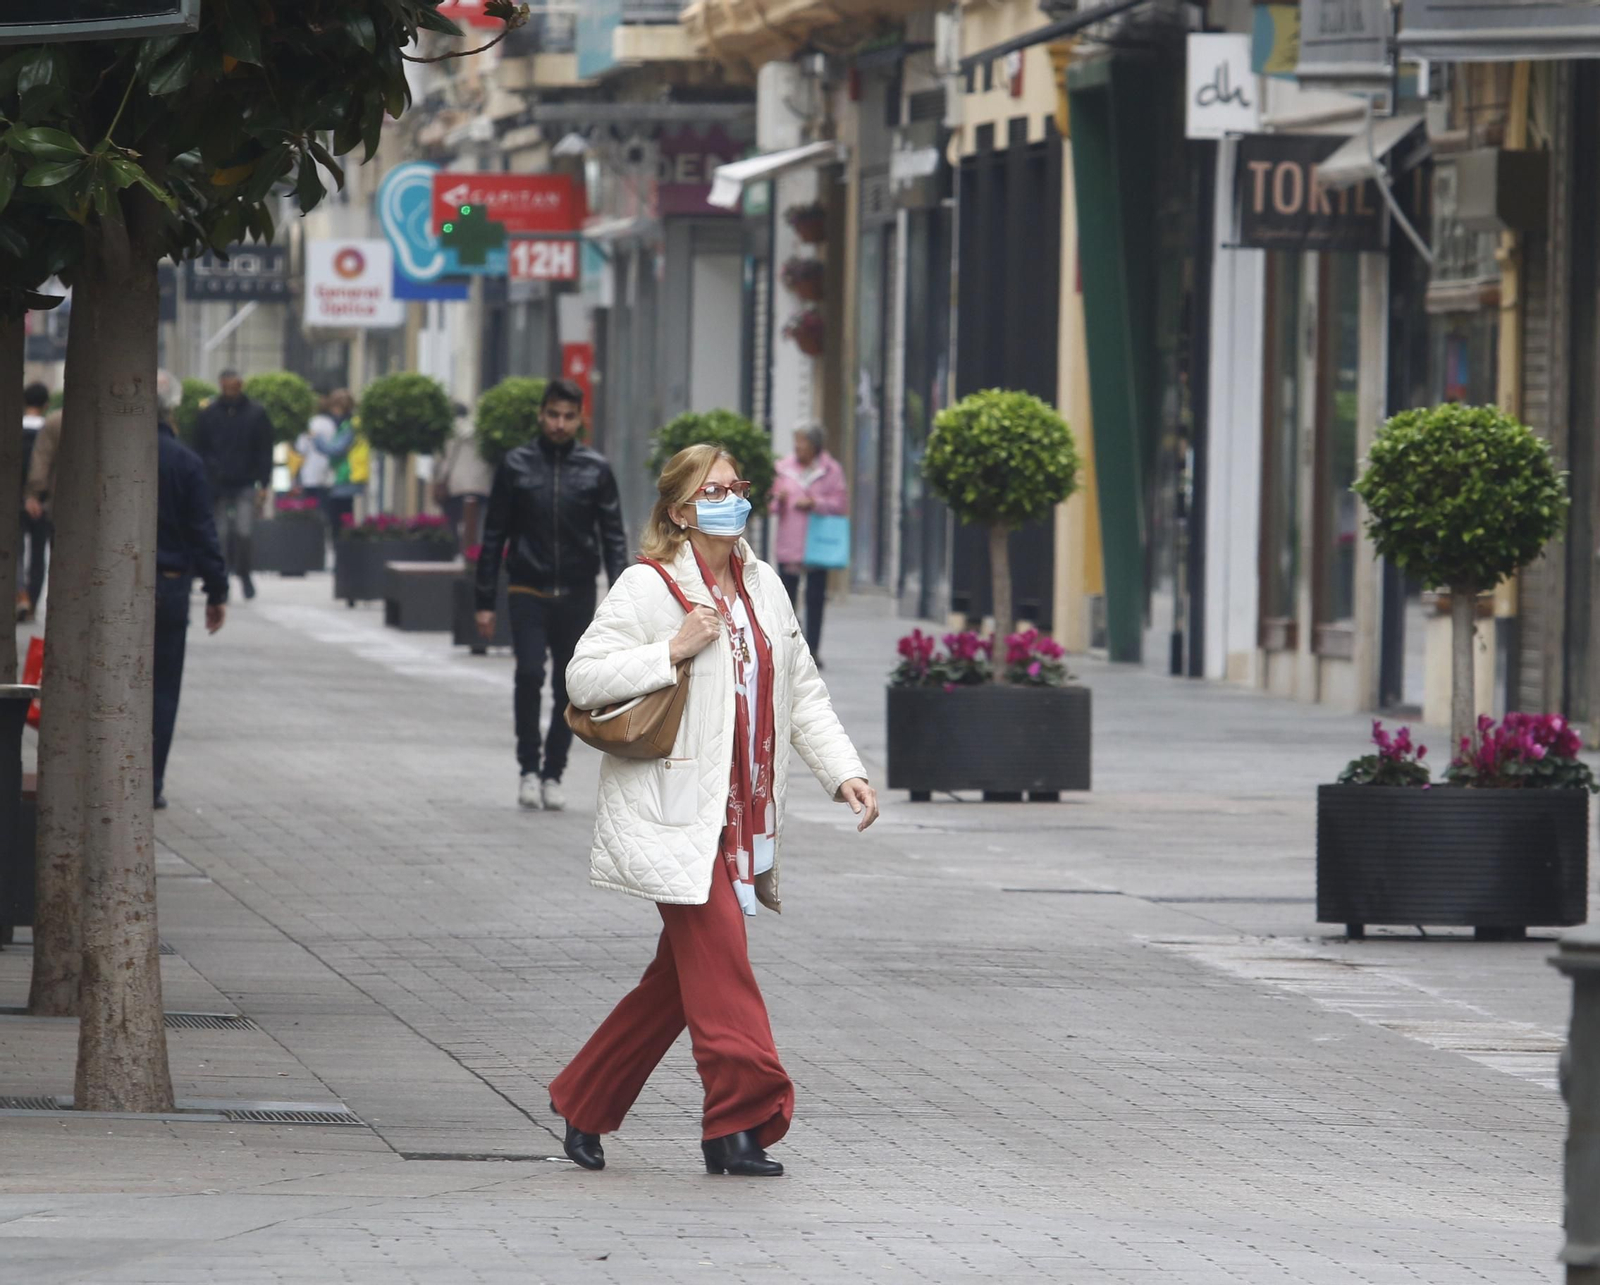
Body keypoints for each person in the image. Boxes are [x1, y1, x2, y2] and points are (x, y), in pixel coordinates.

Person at [548, 443, 878, 1178]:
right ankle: (740, 1119)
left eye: (738, 486)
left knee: (680, 980)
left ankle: (584, 1097)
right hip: (677, 812)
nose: (732, 498)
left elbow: (802, 691)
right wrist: (672, 647)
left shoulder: (764, 585)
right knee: (723, 965)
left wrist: (844, 772)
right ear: (680, 511)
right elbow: (583, 675)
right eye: (714, 489)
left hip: (746, 814)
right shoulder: (647, 586)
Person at [474, 378, 628, 813]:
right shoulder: (516, 465)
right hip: (527, 586)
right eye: (553, 415)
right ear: (541, 415)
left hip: (577, 590)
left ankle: (553, 772)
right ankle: (527, 767)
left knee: (571, 686)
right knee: (527, 673)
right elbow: (494, 535)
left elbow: (613, 537)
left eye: (568, 417)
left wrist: (623, 599)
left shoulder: (596, 469)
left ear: (580, 420)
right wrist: (484, 600)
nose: (560, 424)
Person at [153, 369, 228, 811]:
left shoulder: (106, 453)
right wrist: (216, 591)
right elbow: (203, 532)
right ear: (173, 409)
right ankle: (150, 781)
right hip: (169, 586)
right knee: (162, 688)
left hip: (113, 587)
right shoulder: (184, 462)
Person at [192, 369, 273, 600]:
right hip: (216, 483)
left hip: (245, 481)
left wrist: (264, 483)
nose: (230, 389)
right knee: (220, 534)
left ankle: (244, 573)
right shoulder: (208, 413)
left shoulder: (256, 413)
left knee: (244, 531)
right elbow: (199, 447)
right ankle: (222, 577)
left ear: (241, 384)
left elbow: (264, 450)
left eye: (234, 385)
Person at [771, 425, 848, 665]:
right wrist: (778, 501)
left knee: (816, 598)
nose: (797, 447)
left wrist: (815, 502)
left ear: (814, 445)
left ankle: (814, 649)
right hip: (790, 543)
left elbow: (840, 504)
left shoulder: (831, 470)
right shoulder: (783, 468)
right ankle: (790, 648)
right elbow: (771, 505)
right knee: (787, 599)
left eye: (801, 442)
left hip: (817, 545)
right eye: (795, 441)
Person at [433, 400, 494, 553]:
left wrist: (440, 480)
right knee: (478, 523)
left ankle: (459, 553)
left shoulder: (450, 432)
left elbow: (446, 460)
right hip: (481, 484)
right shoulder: (481, 430)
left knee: (455, 522)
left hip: (458, 485)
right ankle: (474, 553)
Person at [17, 382, 54, 621]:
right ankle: (31, 603)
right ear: (46, 404)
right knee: (39, 553)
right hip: (43, 503)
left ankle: (19, 595)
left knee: (15, 551)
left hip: (15, 500)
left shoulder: (14, 428)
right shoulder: (50, 429)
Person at [315, 389, 366, 534]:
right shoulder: (349, 424)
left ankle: (343, 549)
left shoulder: (350, 426)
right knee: (342, 515)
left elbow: (336, 449)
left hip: (346, 475)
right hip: (343, 474)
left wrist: (317, 439)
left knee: (339, 519)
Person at [295, 392, 338, 512]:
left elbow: (301, 448)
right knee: (325, 507)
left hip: (310, 471)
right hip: (327, 470)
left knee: (311, 507)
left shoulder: (309, 424)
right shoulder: (331, 424)